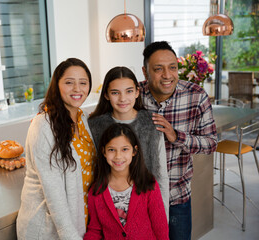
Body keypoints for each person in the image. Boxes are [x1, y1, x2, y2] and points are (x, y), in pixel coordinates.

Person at [139, 41, 218, 240]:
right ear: (145, 72)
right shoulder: (134, 95)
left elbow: (211, 143)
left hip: (177, 197)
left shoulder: (196, 96)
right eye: (158, 69)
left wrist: (176, 136)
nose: (167, 75)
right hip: (139, 197)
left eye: (172, 67)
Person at [16, 58, 96, 239]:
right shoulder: (44, 125)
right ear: (57, 85)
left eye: (83, 83)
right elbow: (54, 193)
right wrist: (71, 236)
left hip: (79, 221)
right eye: (69, 82)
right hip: (47, 230)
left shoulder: (82, 119)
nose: (77, 89)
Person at [88, 66, 169, 217]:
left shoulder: (152, 123)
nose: (123, 98)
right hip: (107, 211)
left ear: (137, 92)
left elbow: (161, 174)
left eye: (129, 91)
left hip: (146, 207)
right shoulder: (94, 126)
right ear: (106, 94)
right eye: (115, 93)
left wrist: (163, 217)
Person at [84, 123, 169, 240]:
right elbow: (95, 229)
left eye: (124, 149)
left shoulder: (148, 184)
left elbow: (160, 227)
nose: (118, 156)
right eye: (111, 150)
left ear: (134, 151)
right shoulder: (96, 191)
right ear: (104, 152)